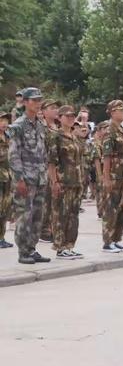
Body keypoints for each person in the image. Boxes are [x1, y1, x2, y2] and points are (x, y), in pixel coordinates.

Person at [8, 87, 50, 264]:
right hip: (25, 179)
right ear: (25, 102)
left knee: (37, 216)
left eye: (39, 100)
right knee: (24, 216)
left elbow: (43, 151)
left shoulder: (40, 125)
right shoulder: (18, 126)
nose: (37, 103)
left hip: (39, 177)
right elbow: (13, 154)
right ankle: (23, 251)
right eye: (34, 100)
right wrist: (19, 180)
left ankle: (32, 249)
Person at [48, 105, 83, 259]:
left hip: (76, 181)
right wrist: (54, 182)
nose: (70, 118)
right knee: (60, 215)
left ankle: (69, 246)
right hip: (63, 181)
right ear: (59, 118)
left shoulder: (74, 136)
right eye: (67, 116)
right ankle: (60, 247)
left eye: (72, 116)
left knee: (73, 215)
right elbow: (51, 162)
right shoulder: (55, 136)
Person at [102, 100, 123, 253]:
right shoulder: (109, 130)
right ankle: (107, 242)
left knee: (120, 208)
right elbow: (106, 156)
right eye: (121, 110)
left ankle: (116, 239)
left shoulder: (122, 130)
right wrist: (106, 178)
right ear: (113, 112)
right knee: (110, 209)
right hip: (113, 175)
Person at [39, 99, 60, 243]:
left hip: (58, 167)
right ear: (44, 111)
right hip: (45, 167)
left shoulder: (57, 127)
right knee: (46, 199)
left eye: (56, 108)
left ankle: (52, 227)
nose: (55, 110)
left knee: (55, 200)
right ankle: (44, 230)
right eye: (52, 108)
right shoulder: (41, 127)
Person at [0, 112, 12, 248]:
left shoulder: (8, 137)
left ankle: (1, 237)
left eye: (6, 121)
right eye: (1, 120)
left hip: (8, 177)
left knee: (5, 209)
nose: (4, 123)